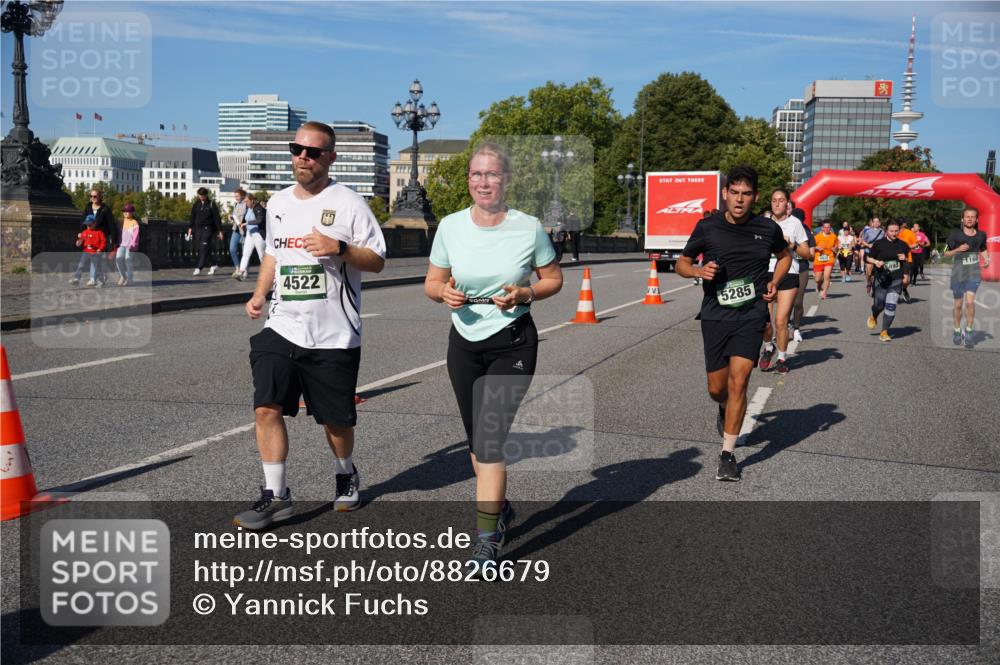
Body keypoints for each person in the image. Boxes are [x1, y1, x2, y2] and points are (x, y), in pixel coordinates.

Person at [234, 121, 387, 530]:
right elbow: (272, 255)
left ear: (330, 157)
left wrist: (339, 248)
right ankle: (276, 496)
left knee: (335, 420)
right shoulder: (279, 203)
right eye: (297, 149)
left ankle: (345, 470)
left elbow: (377, 259)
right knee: (266, 407)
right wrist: (260, 293)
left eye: (313, 152)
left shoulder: (350, 203)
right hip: (282, 325)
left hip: (334, 333)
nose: (303, 157)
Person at [424, 142, 563, 572]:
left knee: (489, 441)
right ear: (469, 180)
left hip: (512, 341)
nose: (484, 182)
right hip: (464, 343)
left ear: (506, 180)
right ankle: (499, 508)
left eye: (492, 174)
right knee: (476, 443)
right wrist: (442, 292)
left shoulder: (528, 228)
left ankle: (487, 542)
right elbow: (432, 282)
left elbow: (553, 278)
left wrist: (527, 292)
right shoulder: (449, 226)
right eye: (476, 174)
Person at [676, 165, 790, 482]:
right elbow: (681, 263)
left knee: (739, 381)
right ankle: (723, 407)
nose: (739, 200)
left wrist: (774, 282)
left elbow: (785, 256)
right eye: (734, 193)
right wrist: (698, 272)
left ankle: (727, 454)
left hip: (750, 315)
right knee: (717, 388)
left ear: (755, 197)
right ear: (725, 194)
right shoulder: (707, 227)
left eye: (746, 194)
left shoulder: (766, 229)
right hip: (715, 315)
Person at [758, 188, 810, 375]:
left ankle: (781, 357)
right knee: (764, 321)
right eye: (774, 200)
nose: (777, 203)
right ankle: (768, 347)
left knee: (780, 321)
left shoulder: (795, 223)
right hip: (766, 273)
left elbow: (808, 254)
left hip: (789, 272)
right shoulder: (762, 223)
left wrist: (792, 245)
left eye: (781, 200)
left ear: (787, 203)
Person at [944, 207, 991, 348]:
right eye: (967, 216)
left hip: (973, 272)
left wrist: (987, 259)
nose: (969, 219)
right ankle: (957, 330)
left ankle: (969, 331)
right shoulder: (955, 235)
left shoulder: (981, 235)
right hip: (958, 273)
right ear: (962, 219)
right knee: (958, 305)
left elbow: (982, 248)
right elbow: (945, 254)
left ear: (976, 220)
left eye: (972, 217)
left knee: (970, 302)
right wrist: (958, 250)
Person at [866, 221, 909, 341]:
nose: (894, 233)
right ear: (886, 231)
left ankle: (884, 332)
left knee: (891, 305)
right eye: (891, 231)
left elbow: (906, 262)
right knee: (879, 304)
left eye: (896, 231)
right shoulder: (879, 244)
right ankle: (874, 316)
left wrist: (905, 265)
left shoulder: (903, 245)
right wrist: (876, 262)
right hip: (881, 279)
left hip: (896, 279)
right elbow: (868, 258)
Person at [789, 206, 815, 343]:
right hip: (786, 268)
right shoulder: (786, 228)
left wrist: (799, 250)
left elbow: (811, 257)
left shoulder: (807, 233)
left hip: (802, 269)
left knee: (798, 302)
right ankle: (784, 327)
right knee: (785, 302)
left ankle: (796, 328)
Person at [82, 188, 116, 287]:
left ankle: (101, 276)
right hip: (91, 237)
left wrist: (114, 240)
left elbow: (111, 225)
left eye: (95, 196)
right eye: (91, 196)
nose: (93, 198)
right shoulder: (88, 207)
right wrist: (82, 232)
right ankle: (94, 278)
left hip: (102, 237)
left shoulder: (105, 209)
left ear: (100, 197)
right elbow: (83, 220)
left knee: (100, 259)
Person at [187, 187, 223, 276]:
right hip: (198, 229)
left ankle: (199, 267)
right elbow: (192, 216)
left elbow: (217, 218)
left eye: (203, 195)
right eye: (200, 195)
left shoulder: (211, 204)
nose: (201, 197)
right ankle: (214, 264)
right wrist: (190, 228)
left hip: (208, 229)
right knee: (203, 249)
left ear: (206, 195)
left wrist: (220, 231)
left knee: (204, 247)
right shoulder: (196, 204)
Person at [236, 192, 267, 281]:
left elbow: (259, 220)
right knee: (246, 253)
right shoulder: (248, 209)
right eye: (245, 202)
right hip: (250, 233)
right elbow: (245, 218)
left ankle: (266, 274)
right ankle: (241, 272)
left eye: (247, 201)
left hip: (258, 234)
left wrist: (247, 223)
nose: (245, 203)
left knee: (261, 256)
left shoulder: (258, 208)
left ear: (252, 200)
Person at [70, 214, 106, 287]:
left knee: (96, 267)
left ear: (95, 223)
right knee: (81, 265)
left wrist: (100, 249)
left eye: (90, 224)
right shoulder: (85, 232)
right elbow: (80, 240)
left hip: (96, 252)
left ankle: (98, 280)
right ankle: (76, 278)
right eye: (87, 225)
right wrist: (78, 243)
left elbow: (103, 242)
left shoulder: (99, 232)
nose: (88, 226)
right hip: (86, 252)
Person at [115, 203, 140, 286]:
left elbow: (136, 235)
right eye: (124, 211)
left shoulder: (134, 222)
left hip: (130, 245)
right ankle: (123, 276)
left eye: (128, 211)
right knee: (118, 259)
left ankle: (130, 279)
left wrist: (133, 244)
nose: (126, 213)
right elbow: (117, 233)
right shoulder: (120, 221)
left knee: (128, 260)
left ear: (132, 212)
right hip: (121, 244)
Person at [859, 216, 884, 294]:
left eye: (877, 222)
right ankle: (869, 283)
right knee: (869, 272)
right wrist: (868, 245)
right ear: (872, 223)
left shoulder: (883, 232)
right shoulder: (868, 231)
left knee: (879, 271)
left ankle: (877, 285)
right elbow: (862, 241)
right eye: (874, 222)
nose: (876, 223)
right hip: (869, 252)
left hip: (879, 254)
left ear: (879, 223)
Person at [813, 220, 838, 299]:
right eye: (825, 227)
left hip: (829, 258)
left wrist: (835, 248)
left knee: (827, 276)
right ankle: (819, 285)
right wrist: (817, 247)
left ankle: (824, 292)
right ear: (822, 228)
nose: (827, 229)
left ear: (830, 228)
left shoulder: (833, 236)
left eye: (828, 227)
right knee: (818, 279)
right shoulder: (817, 237)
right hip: (818, 259)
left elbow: (837, 245)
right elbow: (811, 247)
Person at [897, 221, 918, 302]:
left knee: (906, 280)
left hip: (906, 258)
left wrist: (907, 246)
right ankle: (894, 292)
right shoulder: (893, 232)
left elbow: (916, 244)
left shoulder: (909, 232)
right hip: (893, 259)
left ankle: (904, 289)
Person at [229, 188, 247, 277]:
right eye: (235, 196)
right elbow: (234, 215)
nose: (236, 198)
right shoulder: (235, 204)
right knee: (232, 249)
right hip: (236, 229)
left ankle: (245, 269)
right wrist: (231, 217)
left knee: (245, 251)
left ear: (242, 196)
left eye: (237, 196)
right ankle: (237, 268)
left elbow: (246, 216)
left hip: (244, 230)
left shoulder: (246, 204)